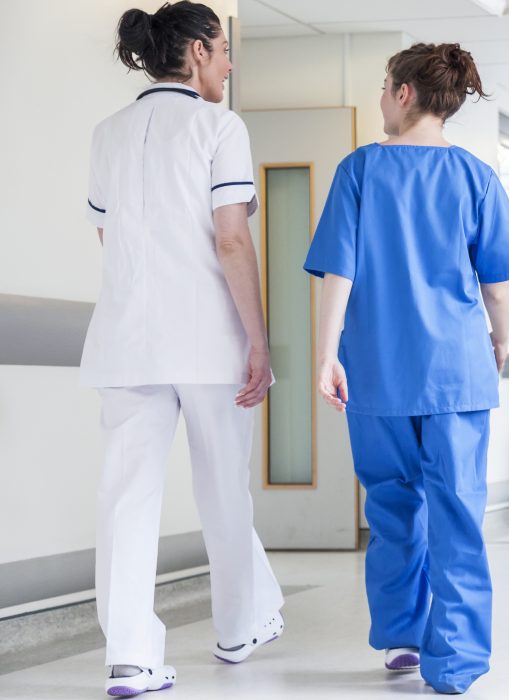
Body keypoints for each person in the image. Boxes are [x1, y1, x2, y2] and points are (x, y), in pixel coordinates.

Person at [303, 43, 509, 695]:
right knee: (457, 510)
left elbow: (339, 271)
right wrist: (497, 342)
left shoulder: (359, 171)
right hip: (456, 372)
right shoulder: (474, 176)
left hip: (377, 368)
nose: (380, 97)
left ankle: (403, 637)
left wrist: (327, 356)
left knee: (393, 503)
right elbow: (498, 285)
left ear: (405, 93)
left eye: (384, 86)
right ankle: (455, 661)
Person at [83, 3, 284, 696]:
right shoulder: (218, 126)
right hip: (206, 339)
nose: (229, 64)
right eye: (224, 49)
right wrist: (258, 339)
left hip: (126, 340)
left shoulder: (107, 133)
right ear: (197, 52)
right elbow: (231, 238)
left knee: (125, 498)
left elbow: (110, 240)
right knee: (223, 485)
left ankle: (131, 659)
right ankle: (238, 626)